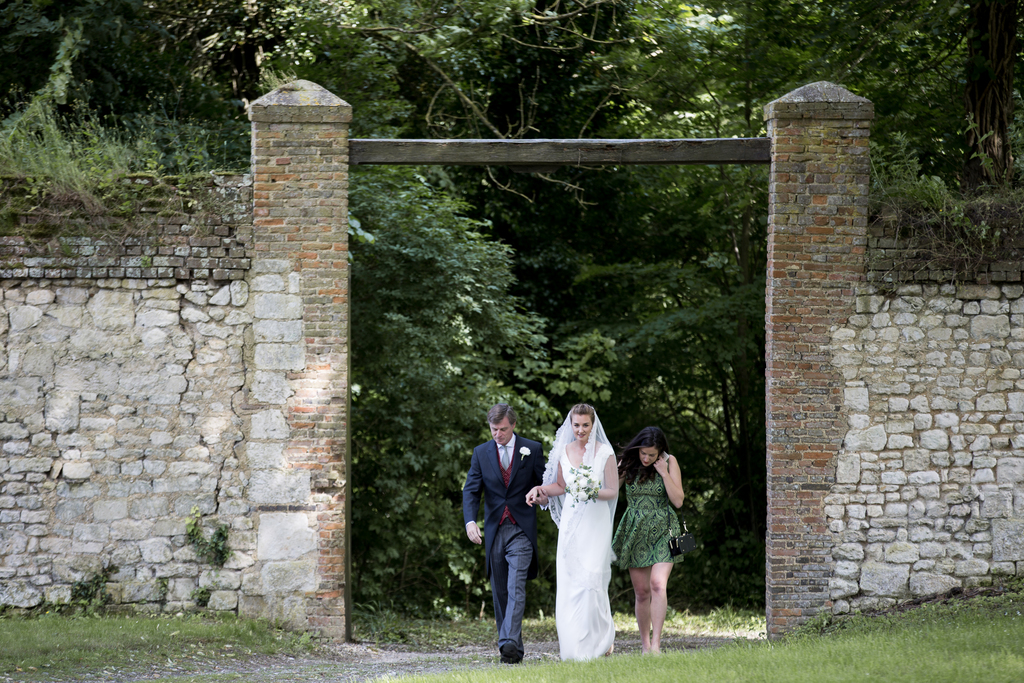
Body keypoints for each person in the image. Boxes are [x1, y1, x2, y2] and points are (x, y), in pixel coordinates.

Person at [525, 404, 617, 661]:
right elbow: (560, 486)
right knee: (570, 583)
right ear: (571, 424)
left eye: (585, 425)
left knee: (592, 581)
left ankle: (602, 639)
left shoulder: (604, 453)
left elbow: (612, 491)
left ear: (593, 425)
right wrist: (539, 489)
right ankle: (574, 646)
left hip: (596, 523)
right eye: (576, 425)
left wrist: (591, 491)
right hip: (571, 524)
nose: (580, 430)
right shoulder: (564, 451)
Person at [463, 403, 547, 664]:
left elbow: (545, 485)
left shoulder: (531, 449)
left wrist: (541, 495)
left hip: (521, 528)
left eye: (502, 429)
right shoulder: (481, 452)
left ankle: (508, 641)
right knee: (499, 591)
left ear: (513, 426)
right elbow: (471, 490)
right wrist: (470, 522)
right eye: (493, 429)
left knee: (515, 585)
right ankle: (513, 651)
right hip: (494, 529)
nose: (497, 434)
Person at [611, 426, 685, 655]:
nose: (646, 458)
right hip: (635, 529)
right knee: (642, 592)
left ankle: (656, 645)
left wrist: (663, 471)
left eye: (651, 455)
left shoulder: (670, 461)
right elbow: (610, 490)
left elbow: (679, 501)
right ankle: (644, 646)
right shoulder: (628, 462)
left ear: (660, 451)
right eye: (643, 453)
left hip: (665, 528)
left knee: (657, 584)